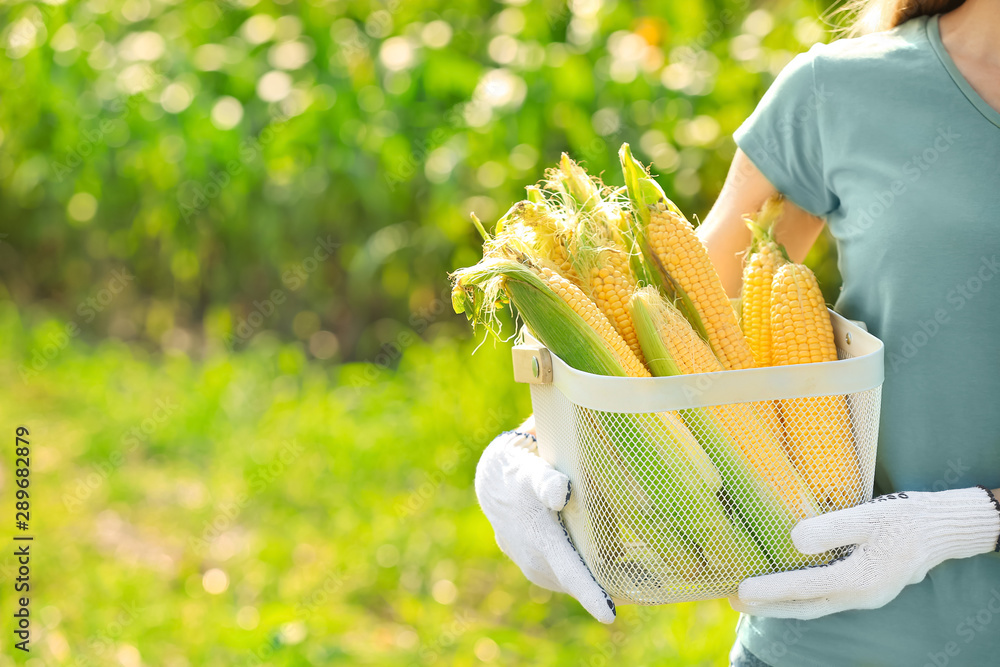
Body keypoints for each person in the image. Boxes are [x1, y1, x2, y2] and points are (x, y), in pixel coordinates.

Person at [473, 0, 1000, 664]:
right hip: (824, 642)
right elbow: (684, 331)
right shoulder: (839, 92)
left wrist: (972, 521)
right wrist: (528, 448)